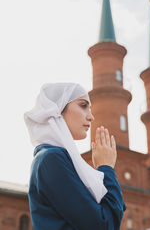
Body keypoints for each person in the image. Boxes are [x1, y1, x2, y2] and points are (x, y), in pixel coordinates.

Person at [24, 83, 126, 230]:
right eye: (83, 106)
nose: (91, 116)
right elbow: (103, 225)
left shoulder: (57, 158)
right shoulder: (51, 159)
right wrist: (107, 168)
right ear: (57, 110)